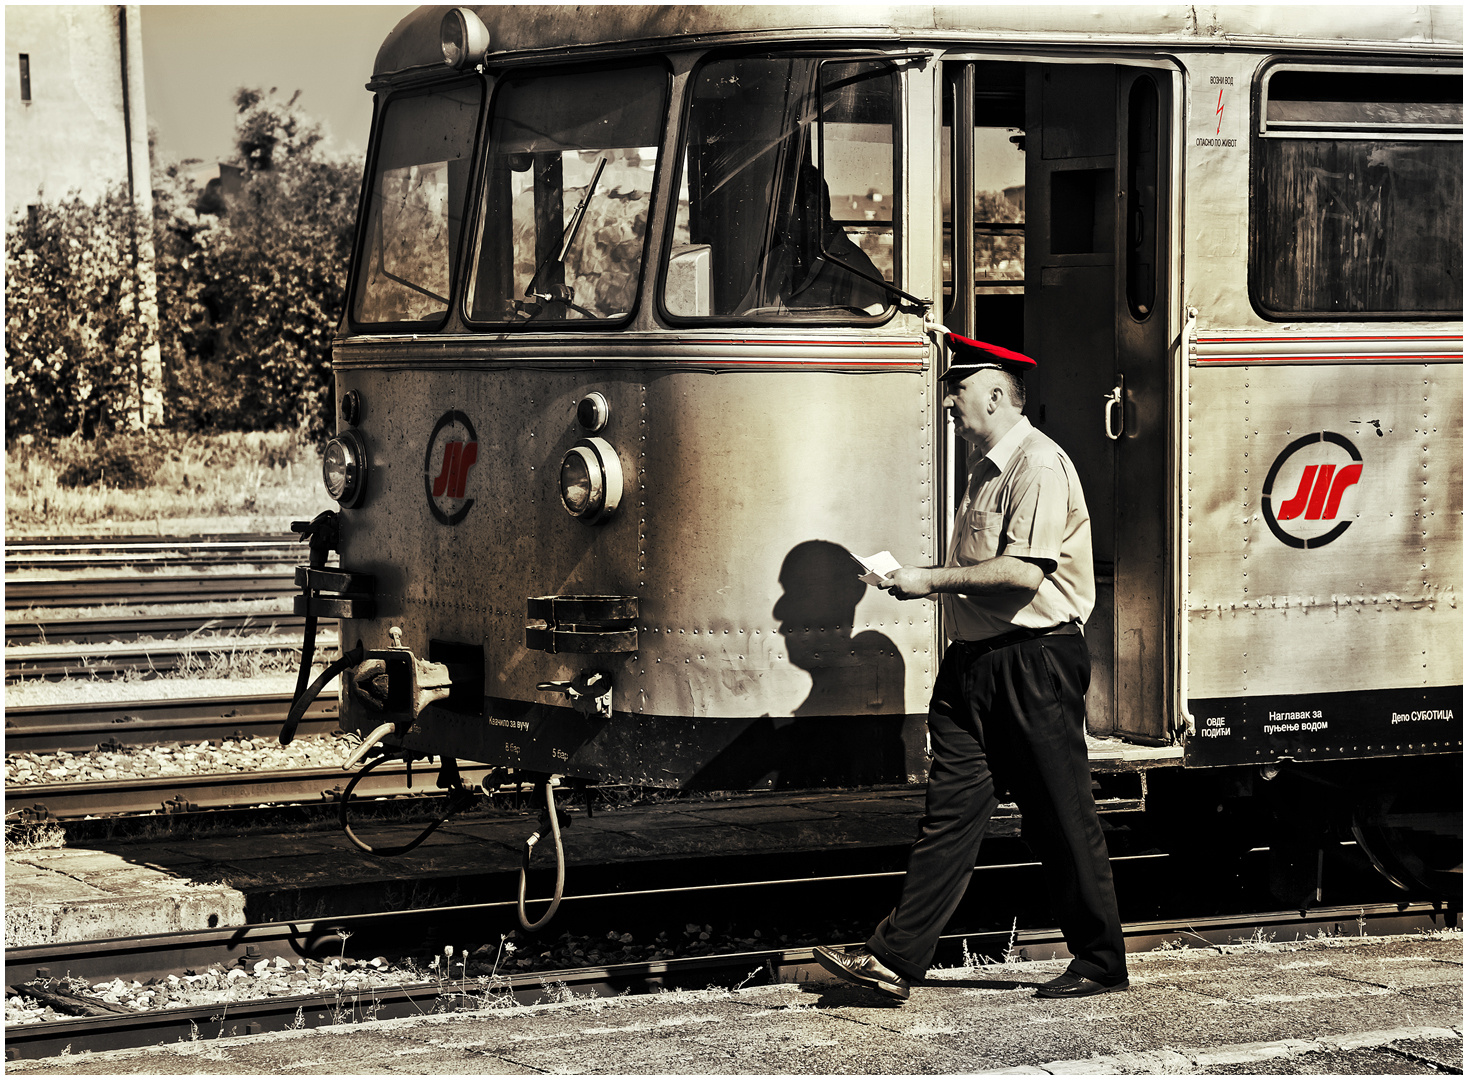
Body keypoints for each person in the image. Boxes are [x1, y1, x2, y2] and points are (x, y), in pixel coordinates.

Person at [814, 332, 1128, 1002]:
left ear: (993, 393)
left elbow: (1022, 572)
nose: (950, 409)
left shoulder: (1037, 467)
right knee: (949, 814)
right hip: (974, 667)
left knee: (1060, 814)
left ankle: (1101, 960)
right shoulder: (986, 470)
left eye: (956, 396)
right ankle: (896, 960)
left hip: (1031, 661)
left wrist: (929, 580)